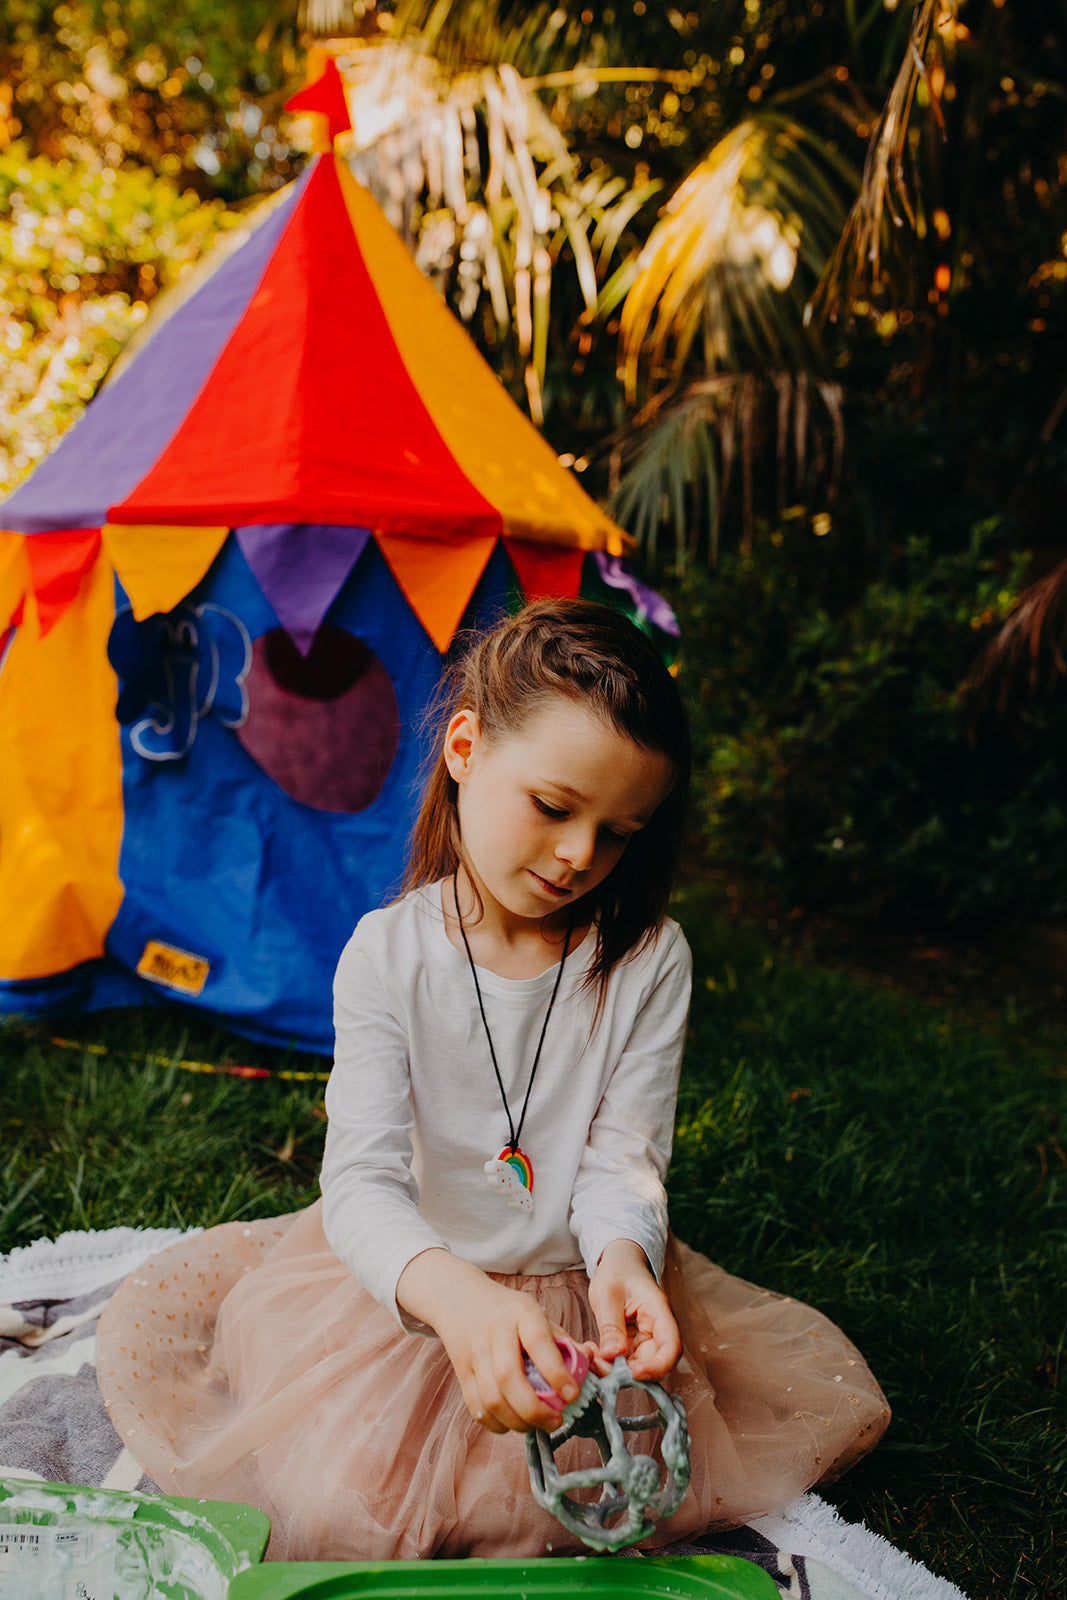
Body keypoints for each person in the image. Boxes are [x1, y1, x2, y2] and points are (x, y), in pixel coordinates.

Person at [97, 599, 889, 1561]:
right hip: (417, 1290)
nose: (576, 857)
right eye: (554, 808)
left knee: (579, 1505)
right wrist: (458, 1298)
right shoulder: (387, 957)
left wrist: (623, 1262)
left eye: (618, 833)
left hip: (575, 1298)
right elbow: (361, 1184)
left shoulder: (647, 959)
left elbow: (620, 1160)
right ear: (465, 748)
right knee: (346, 1510)